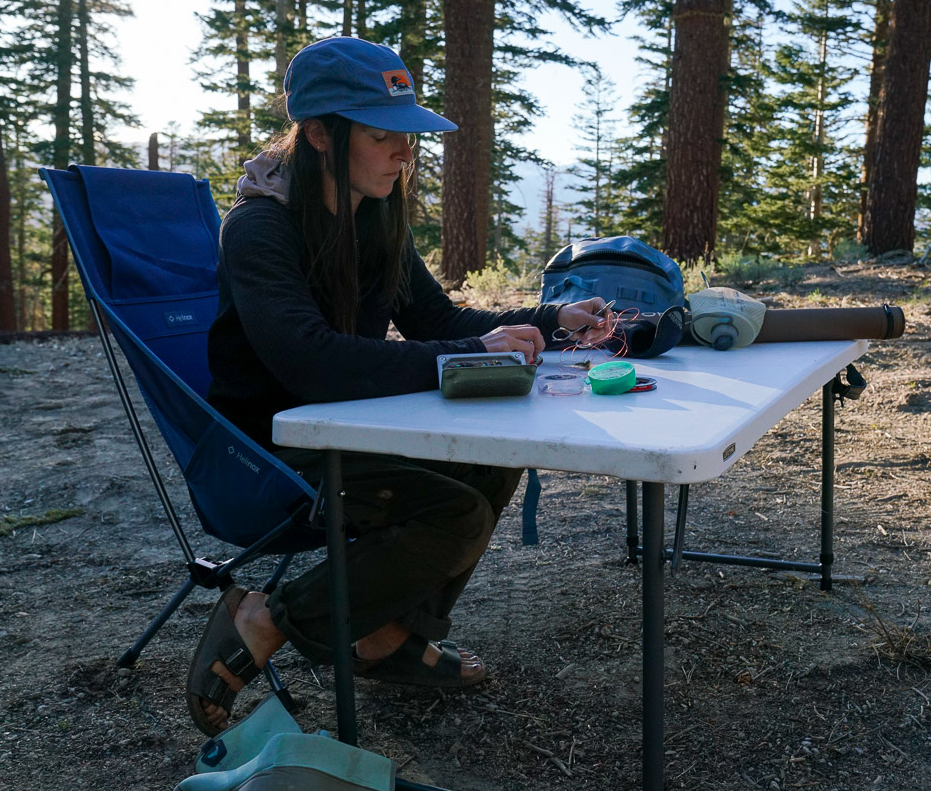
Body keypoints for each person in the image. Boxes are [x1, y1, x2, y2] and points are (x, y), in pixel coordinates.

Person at [187, 36, 613, 736]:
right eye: (384, 135)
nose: (404, 153)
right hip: (271, 454)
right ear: (320, 134)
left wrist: (548, 320)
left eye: (407, 136)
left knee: (493, 457)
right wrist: (468, 353)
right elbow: (312, 363)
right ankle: (268, 617)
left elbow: (436, 320)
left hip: (350, 431)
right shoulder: (259, 228)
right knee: (456, 515)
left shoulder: (375, 214)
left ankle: (381, 634)